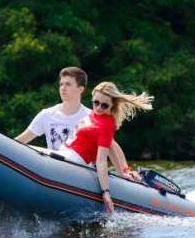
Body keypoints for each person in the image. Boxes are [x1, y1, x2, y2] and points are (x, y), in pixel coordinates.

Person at [15, 68, 141, 182]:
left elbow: (112, 146)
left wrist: (126, 171)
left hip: (79, 176)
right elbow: (20, 141)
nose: (63, 88)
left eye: (68, 84)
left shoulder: (92, 116)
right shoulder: (46, 115)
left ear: (80, 89)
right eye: (61, 84)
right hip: (49, 169)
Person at [56, 81, 153, 215]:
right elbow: (112, 146)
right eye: (96, 102)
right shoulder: (95, 115)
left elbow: (101, 161)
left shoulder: (106, 124)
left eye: (104, 105)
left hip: (74, 160)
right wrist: (123, 171)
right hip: (64, 152)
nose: (99, 107)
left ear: (113, 105)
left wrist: (106, 192)